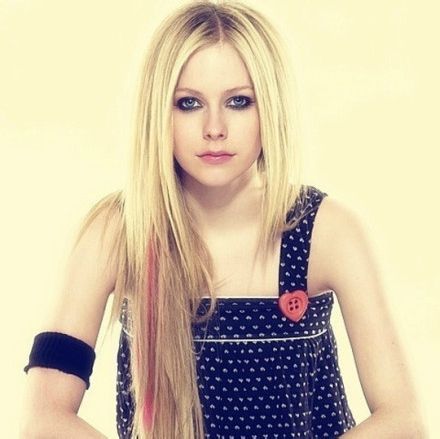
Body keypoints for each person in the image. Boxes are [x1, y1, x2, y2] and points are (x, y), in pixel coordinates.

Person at [20, 1, 425, 438]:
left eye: (238, 101)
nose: (214, 128)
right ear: (158, 111)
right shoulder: (119, 232)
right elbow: (44, 419)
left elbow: (403, 420)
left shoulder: (327, 230)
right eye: (189, 103)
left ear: (270, 107)